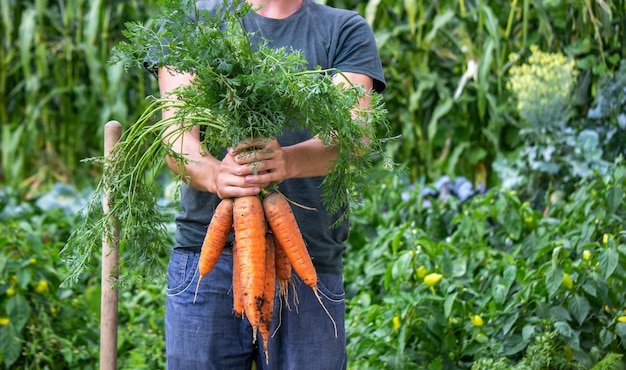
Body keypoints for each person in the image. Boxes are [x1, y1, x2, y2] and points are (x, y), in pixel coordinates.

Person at [156, 0, 385, 368]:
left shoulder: (343, 29)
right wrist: (217, 174)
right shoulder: (196, 19)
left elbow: (353, 134)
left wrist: (286, 162)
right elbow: (177, 138)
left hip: (307, 259)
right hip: (208, 261)